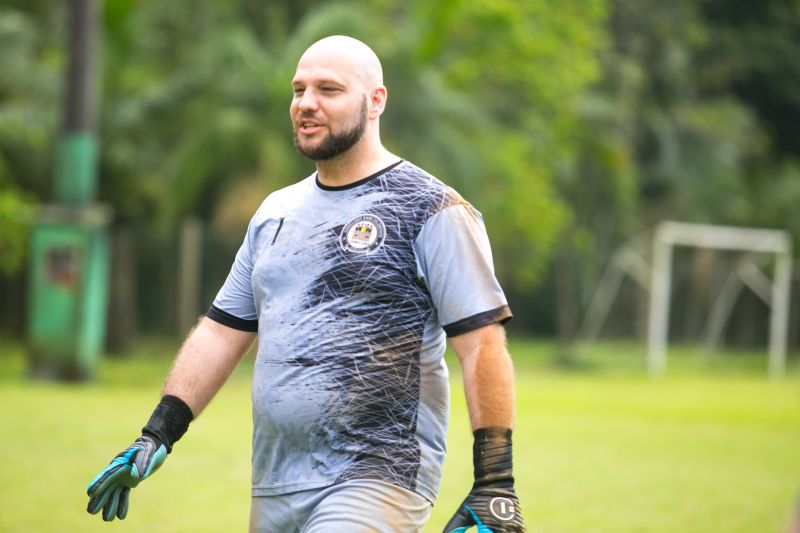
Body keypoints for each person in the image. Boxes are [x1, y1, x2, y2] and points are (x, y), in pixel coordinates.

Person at [86, 35, 526, 533]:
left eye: (328, 90)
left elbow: (482, 344)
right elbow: (221, 332)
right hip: (275, 479)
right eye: (299, 90)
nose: (306, 104)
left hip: (377, 474)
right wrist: (157, 432)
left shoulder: (432, 208)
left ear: (376, 101)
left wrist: (495, 481)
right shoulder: (274, 212)